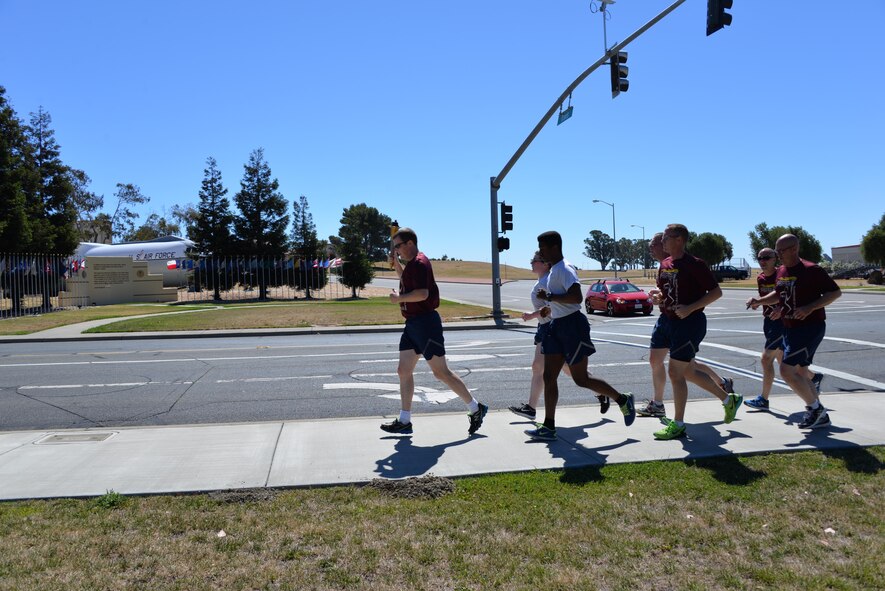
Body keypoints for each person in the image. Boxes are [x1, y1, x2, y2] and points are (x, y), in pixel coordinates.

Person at [524, 231, 635, 441]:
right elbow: (559, 301)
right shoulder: (555, 269)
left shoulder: (564, 268)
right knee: (549, 376)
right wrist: (549, 309)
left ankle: (622, 399)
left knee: (581, 379)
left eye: (543, 248)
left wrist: (549, 296)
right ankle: (549, 427)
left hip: (573, 326)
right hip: (556, 326)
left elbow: (576, 297)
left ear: (555, 247)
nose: (541, 252)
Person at [380, 227, 488, 435]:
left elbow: (422, 293)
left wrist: (399, 299)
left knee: (441, 373)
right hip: (412, 324)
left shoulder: (420, 263)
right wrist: (396, 266)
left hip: (426, 323)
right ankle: (404, 420)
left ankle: (476, 408)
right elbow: (406, 283)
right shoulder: (411, 264)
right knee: (403, 370)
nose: (396, 251)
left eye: (398, 246)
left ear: (410, 243)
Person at [650, 224, 743, 441]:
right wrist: (657, 297)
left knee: (676, 373)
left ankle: (679, 424)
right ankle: (729, 400)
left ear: (680, 239)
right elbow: (664, 291)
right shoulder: (665, 264)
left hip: (690, 323)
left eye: (666, 237)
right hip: (667, 321)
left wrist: (690, 307)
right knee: (688, 372)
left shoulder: (695, 264)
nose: (662, 242)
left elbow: (716, 292)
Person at [746, 234, 840, 429]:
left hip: (809, 327)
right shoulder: (782, 271)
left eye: (781, 251)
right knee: (801, 371)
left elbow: (834, 292)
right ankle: (818, 413)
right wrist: (759, 301)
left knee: (786, 370)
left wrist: (810, 307)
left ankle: (815, 409)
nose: (778, 255)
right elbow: (779, 294)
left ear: (794, 249)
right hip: (790, 327)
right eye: (777, 251)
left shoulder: (810, 269)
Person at [744, 247, 825, 409]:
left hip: (782, 323)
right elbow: (772, 297)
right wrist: (757, 302)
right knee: (787, 363)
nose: (762, 261)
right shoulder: (760, 278)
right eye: (759, 258)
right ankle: (813, 379)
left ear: (775, 259)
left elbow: (789, 297)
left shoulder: (781, 275)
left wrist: (781, 309)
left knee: (766, 358)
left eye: (767, 257)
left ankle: (764, 399)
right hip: (768, 322)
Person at [508, 251, 576, 420]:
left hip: (552, 328)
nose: (532, 262)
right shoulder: (541, 280)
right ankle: (531, 408)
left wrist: (532, 315)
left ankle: (602, 391)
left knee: (551, 368)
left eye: (535, 260)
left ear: (545, 263)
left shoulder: (548, 281)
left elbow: (551, 307)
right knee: (545, 367)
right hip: (545, 327)